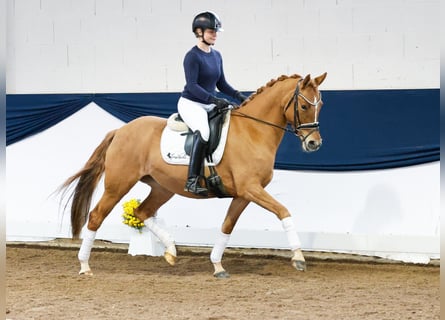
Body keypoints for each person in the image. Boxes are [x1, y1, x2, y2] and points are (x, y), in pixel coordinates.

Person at [178, 11, 247, 196]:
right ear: (199, 32)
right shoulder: (192, 56)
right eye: (211, 31)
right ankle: (192, 180)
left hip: (209, 102)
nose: (215, 35)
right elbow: (192, 86)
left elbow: (221, 83)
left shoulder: (216, 55)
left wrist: (240, 96)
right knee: (204, 132)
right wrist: (214, 100)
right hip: (191, 103)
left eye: (216, 31)